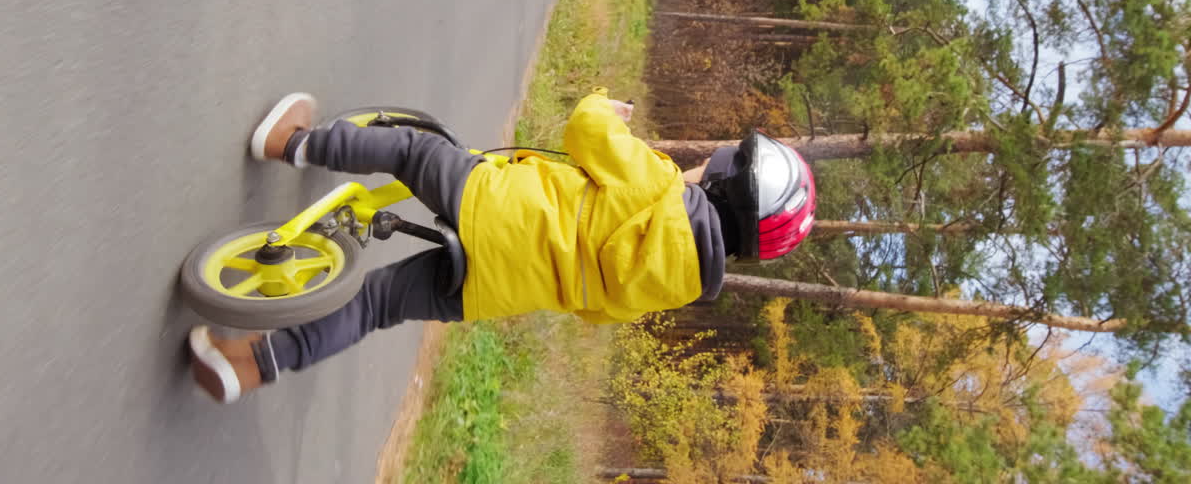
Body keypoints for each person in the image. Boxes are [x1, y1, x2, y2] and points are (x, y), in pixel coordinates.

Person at [189, 89, 816, 403]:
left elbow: (586, 130)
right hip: (489, 288)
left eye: (726, 161)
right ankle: (252, 362)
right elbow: (592, 311)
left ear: (730, 184)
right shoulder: (674, 289)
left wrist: (604, 102)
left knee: (413, 152)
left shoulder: (658, 187)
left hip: (491, 207)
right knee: (377, 303)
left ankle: (293, 142)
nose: (714, 158)